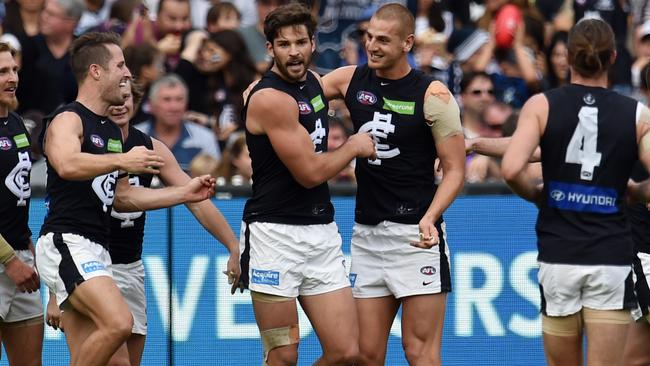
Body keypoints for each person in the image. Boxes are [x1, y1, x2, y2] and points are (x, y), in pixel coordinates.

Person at [35, 32, 216, 366]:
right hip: (68, 241)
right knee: (119, 322)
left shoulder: (108, 131)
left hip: (97, 248)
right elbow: (66, 164)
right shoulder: (68, 118)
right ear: (96, 71)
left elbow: (124, 198)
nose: (127, 73)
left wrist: (183, 193)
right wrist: (122, 161)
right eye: (119, 65)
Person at [322, 3, 465, 365]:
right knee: (365, 356)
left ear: (408, 43)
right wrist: (260, 92)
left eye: (383, 39)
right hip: (367, 235)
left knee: (420, 353)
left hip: (415, 237)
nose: (372, 45)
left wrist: (431, 217)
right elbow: (297, 101)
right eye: (369, 36)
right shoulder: (348, 79)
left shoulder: (434, 94)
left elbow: (455, 170)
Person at [501, 18, 650, 366]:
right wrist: (637, 192)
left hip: (559, 253)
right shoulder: (636, 114)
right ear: (614, 57)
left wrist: (537, 195)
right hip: (610, 256)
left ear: (567, 57)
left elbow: (510, 168)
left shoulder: (541, 105)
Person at [241, 3, 376, 365]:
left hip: (320, 230)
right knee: (284, 356)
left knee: (349, 353)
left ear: (314, 42)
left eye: (301, 42)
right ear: (270, 49)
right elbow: (311, 173)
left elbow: (354, 75)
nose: (294, 51)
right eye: (283, 44)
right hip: (274, 235)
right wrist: (353, 146)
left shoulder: (315, 82)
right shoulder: (270, 99)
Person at [0, 41, 43, 366]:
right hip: (6, 261)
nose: (12, 77)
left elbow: (17, 195)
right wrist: (10, 261)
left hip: (20, 259)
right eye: (2, 72)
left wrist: (28, 249)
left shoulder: (16, 123)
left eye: (14, 70)